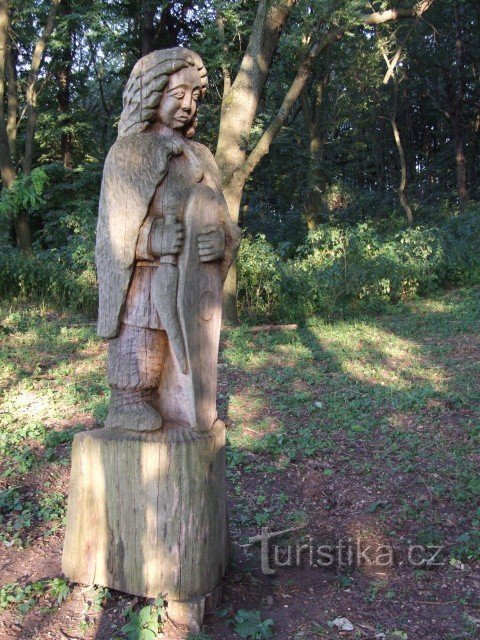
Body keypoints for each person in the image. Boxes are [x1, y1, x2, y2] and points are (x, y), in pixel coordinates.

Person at [95, 47, 240, 433]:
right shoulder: (128, 153)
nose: (188, 105)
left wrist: (220, 242)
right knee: (142, 336)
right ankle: (129, 400)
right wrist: (150, 239)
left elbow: (224, 220)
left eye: (195, 97)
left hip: (190, 285)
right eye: (178, 94)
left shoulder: (202, 156)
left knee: (189, 350)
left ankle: (189, 402)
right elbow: (113, 231)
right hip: (145, 282)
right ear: (152, 94)